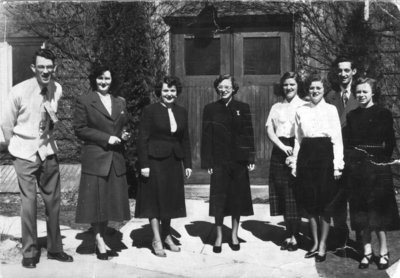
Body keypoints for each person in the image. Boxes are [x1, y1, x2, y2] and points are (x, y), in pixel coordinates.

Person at [0, 49, 73, 268]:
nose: (45, 71)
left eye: (49, 67)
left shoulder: (56, 88)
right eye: (41, 67)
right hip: (24, 153)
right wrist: (15, 148)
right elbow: (6, 123)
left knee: (53, 202)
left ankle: (55, 248)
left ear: (55, 68)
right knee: (28, 203)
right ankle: (29, 252)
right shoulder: (18, 91)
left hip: (48, 151)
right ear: (33, 68)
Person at [74, 65, 131, 260]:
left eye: (107, 78)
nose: (104, 82)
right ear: (94, 79)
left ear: (112, 80)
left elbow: (124, 125)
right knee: (96, 203)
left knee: (107, 203)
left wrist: (124, 134)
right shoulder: (85, 101)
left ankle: (102, 235)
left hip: (115, 159)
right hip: (96, 157)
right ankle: (98, 239)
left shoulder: (120, 101)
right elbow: (80, 129)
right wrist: (106, 138)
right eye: (100, 78)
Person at [344, 77, 400, 270]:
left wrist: (381, 160)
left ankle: (383, 251)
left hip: (377, 167)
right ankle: (366, 251)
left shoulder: (383, 113)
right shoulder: (351, 116)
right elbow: (348, 143)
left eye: (364, 92)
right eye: (358, 92)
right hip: (358, 168)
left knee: (379, 213)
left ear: (373, 92)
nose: (360, 95)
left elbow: (390, 141)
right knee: (361, 212)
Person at [135, 76, 192, 257]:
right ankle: (156, 238)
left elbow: (185, 139)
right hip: (155, 161)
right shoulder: (150, 111)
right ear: (159, 91)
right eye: (166, 90)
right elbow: (142, 139)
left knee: (170, 200)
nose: (169, 94)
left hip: (174, 161)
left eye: (173, 90)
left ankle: (167, 236)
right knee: (155, 200)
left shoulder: (182, 111)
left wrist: (187, 164)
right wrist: (144, 164)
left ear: (177, 92)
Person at [289, 74, 344, 262]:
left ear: (324, 90)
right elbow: (297, 139)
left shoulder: (331, 110)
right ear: (307, 90)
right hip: (306, 156)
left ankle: (323, 244)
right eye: (312, 88)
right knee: (310, 202)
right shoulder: (300, 110)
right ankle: (314, 243)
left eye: (318, 88)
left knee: (325, 203)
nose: (314, 91)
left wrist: (337, 166)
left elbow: (337, 139)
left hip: (325, 157)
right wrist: (295, 162)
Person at [201, 74, 255, 253]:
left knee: (237, 198)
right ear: (217, 89)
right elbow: (206, 136)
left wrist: (250, 158)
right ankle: (218, 235)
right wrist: (207, 160)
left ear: (233, 88)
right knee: (218, 200)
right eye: (221, 87)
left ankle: (233, 234)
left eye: (227, 87)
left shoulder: (243, 108)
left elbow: (249, 134)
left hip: (238, 161)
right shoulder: (210, 109)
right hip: (219, 161)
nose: (224, 90)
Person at [266, 72, 307, 251]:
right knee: (282, 193)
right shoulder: (276, 106)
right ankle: (288, 234)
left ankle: (295, 235)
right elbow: (269, 129)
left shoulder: (304, 105)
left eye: (292, 84)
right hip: (280, 149)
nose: (288, 88)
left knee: (294, 195)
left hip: (297, 148)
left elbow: (303, 133)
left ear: (298, 86)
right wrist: (282, 147)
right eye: (285, 85)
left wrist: (295, 153)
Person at [325, 56, 360, 251]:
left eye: (347, 70)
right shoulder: (330, 96)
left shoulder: (362, 93)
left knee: (357, 199)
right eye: (340, 71)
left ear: (353, 72)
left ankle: (362, 241)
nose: (343, 74)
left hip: (355, 155)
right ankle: (341, 237)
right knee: (337, 198)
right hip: (335, 156)